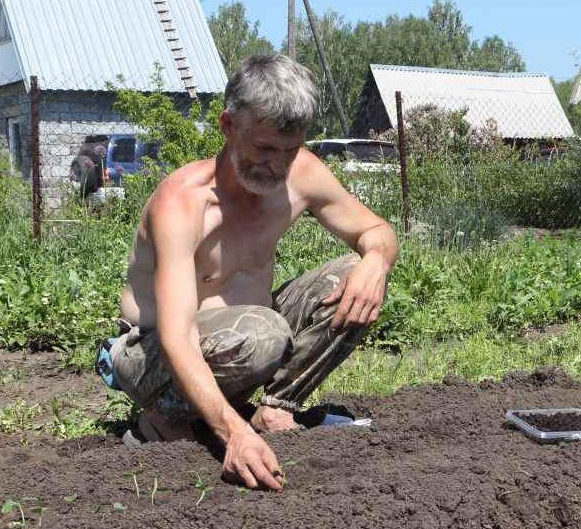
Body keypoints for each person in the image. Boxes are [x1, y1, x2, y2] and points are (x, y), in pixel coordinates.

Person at [109, 55, 398, 491]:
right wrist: (233, 435)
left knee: (352, 274)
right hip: (149, 354)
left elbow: (376, 231)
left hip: (247, 337)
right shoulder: (183, 204)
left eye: (290, 149)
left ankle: (275, 407)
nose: (277, 165)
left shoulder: (301, 176)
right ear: (228, 126)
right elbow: (177, 336)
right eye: (264, 148)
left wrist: (377, 261)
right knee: (262, 333)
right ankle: (165, 418)